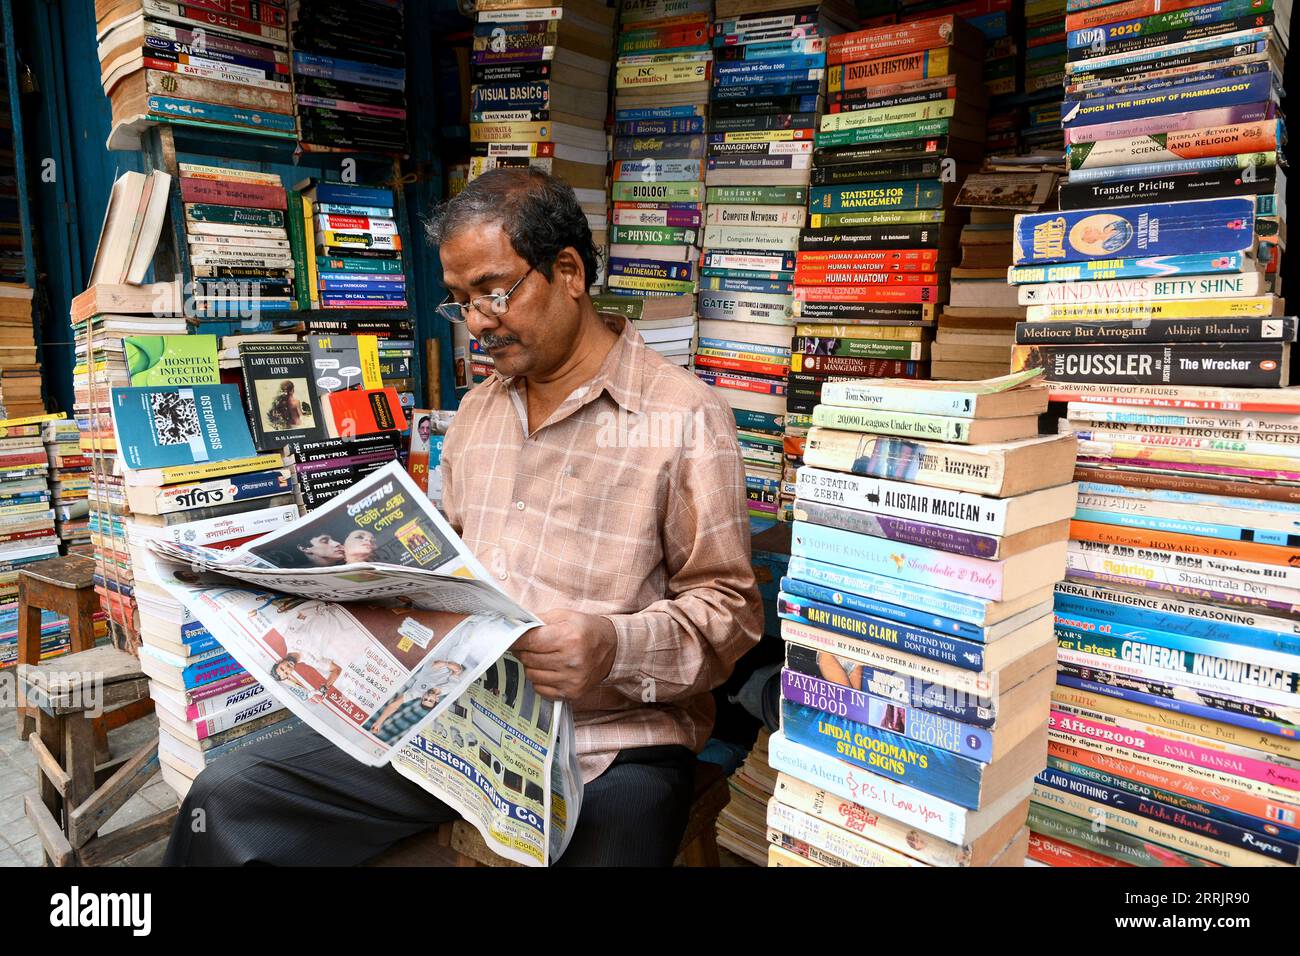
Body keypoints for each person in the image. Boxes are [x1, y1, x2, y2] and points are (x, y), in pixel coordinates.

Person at [164, 168, 763, 867]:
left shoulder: (686, 417)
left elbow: (731, 611)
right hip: (455, 721)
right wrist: (370, 584)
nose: (477, 321)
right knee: (227, 796)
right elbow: (445, 561)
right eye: (460, 301)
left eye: (493, 291)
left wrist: (613, 646)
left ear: (568, 270)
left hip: (612, 740)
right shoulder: (476, 412)